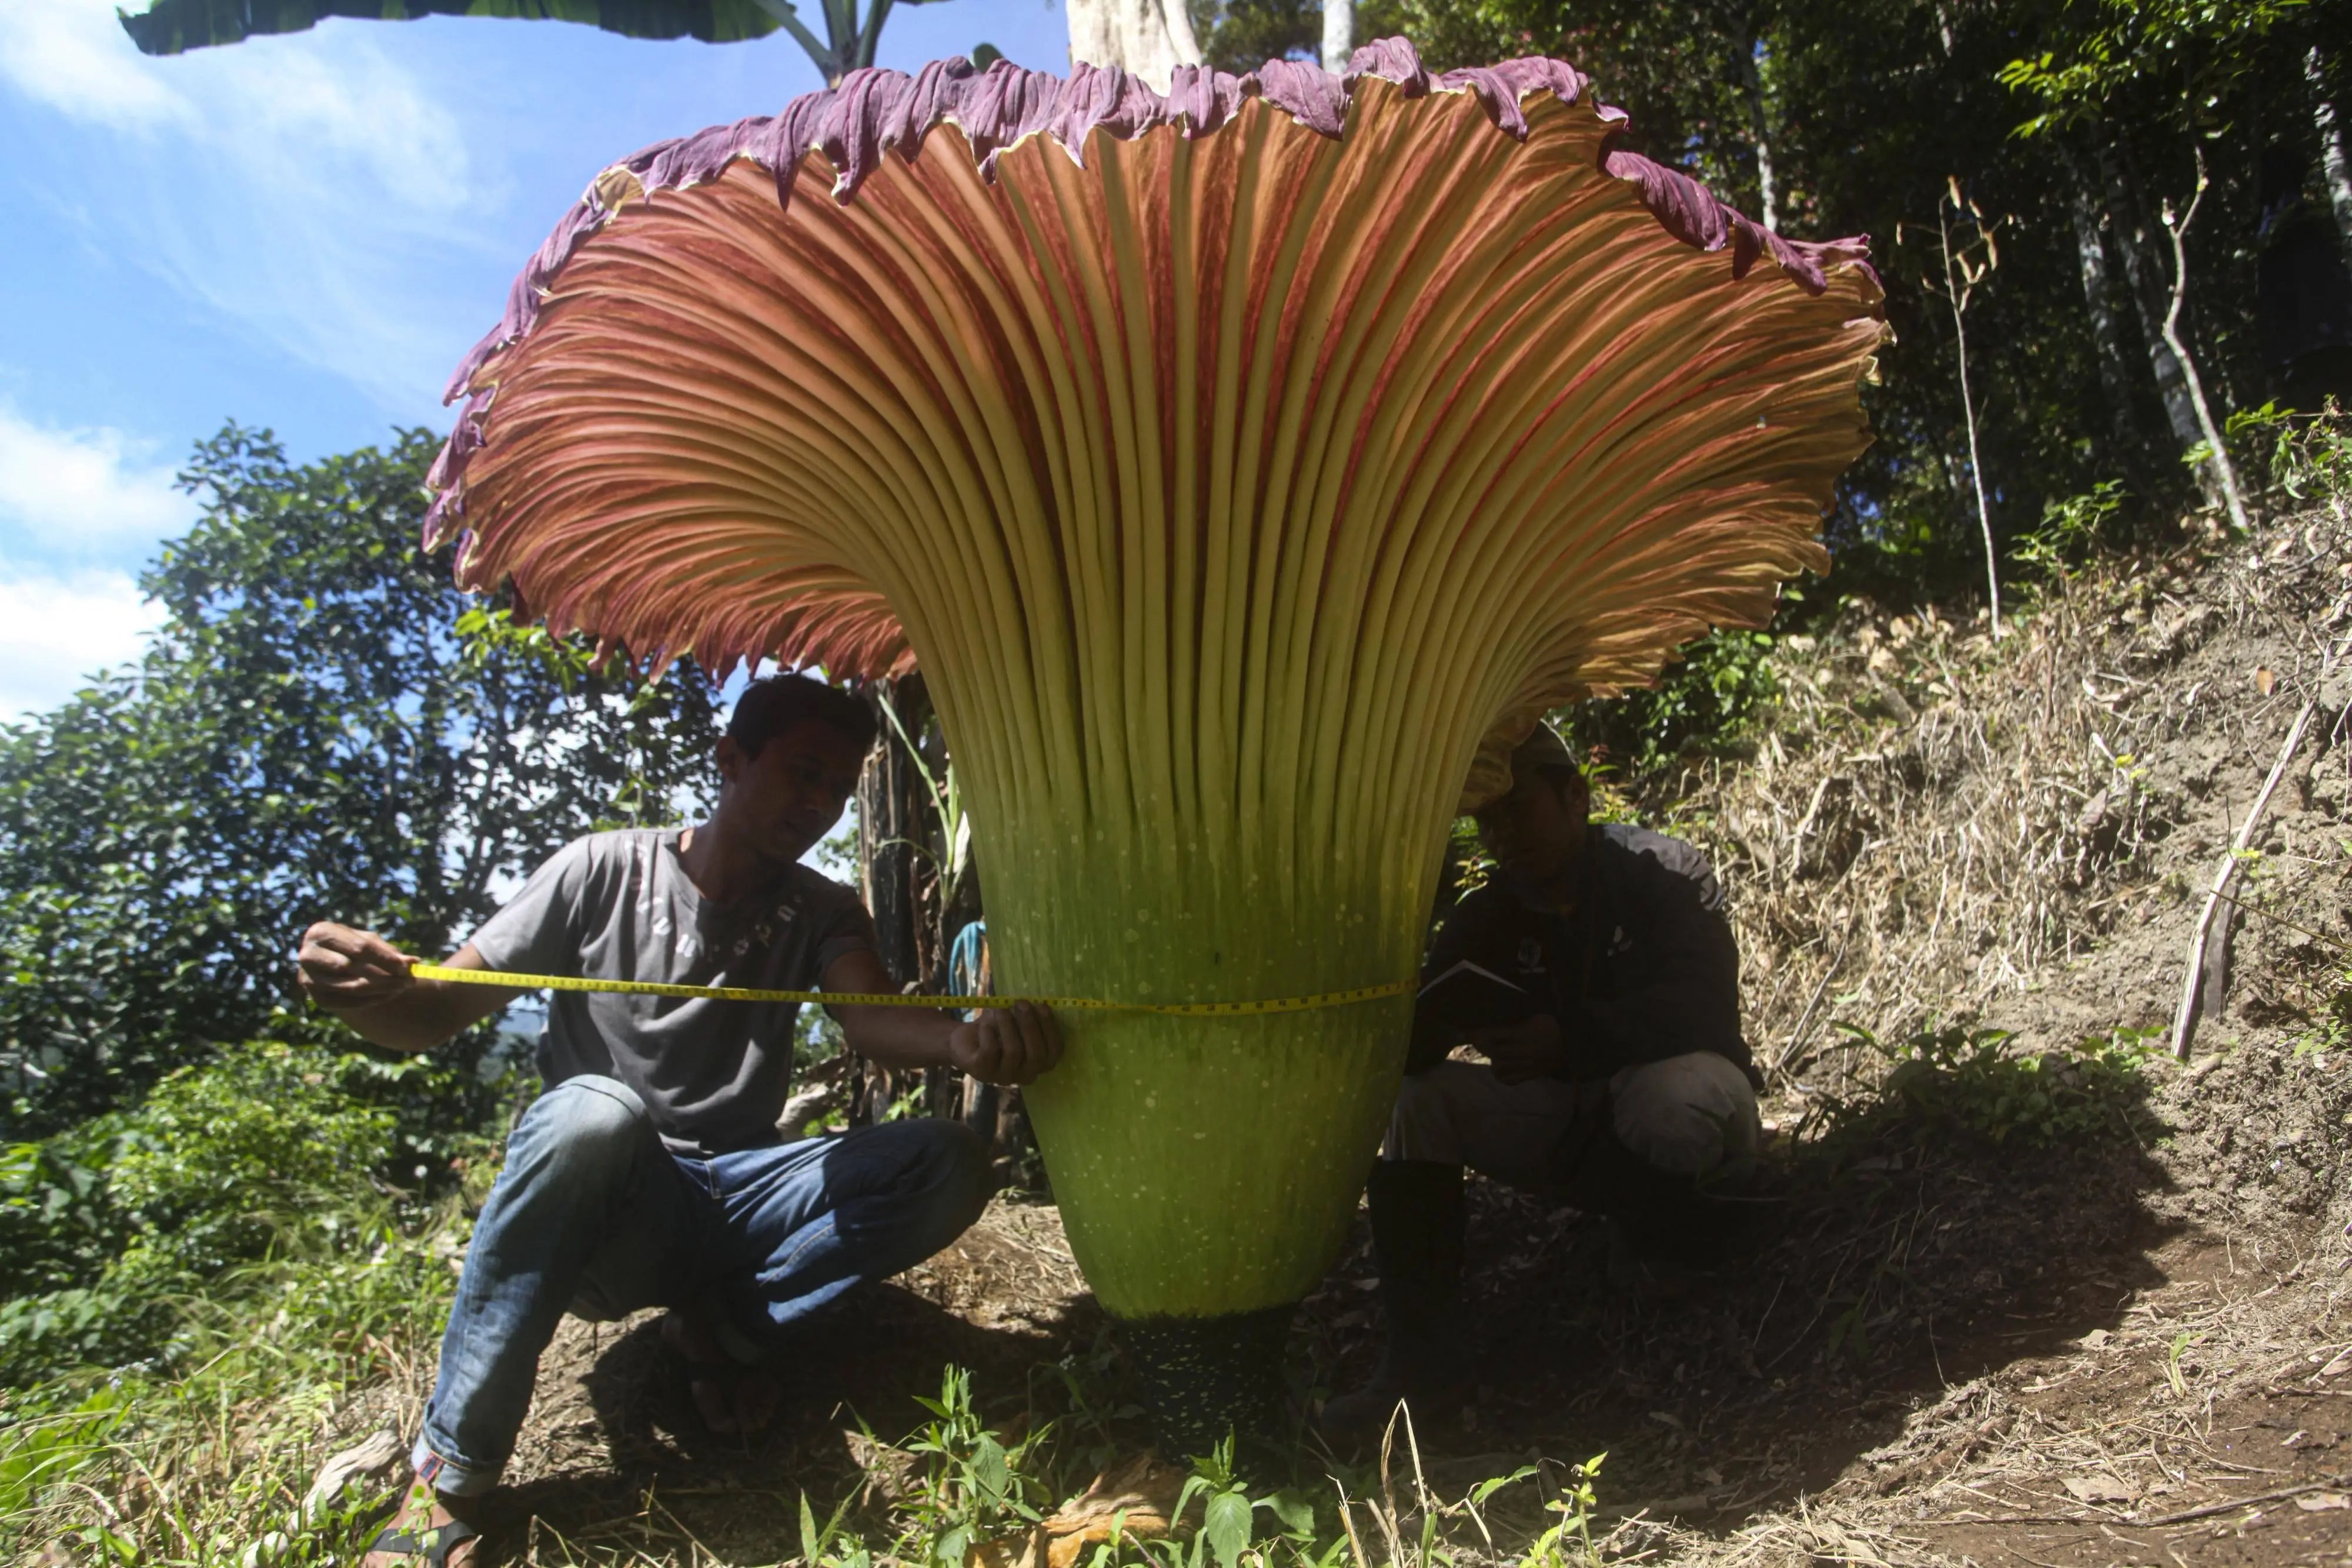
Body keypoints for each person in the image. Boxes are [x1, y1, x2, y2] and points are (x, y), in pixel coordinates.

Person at [296, 674, 1063, 1568]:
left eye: (838, 788)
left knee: (945, 1159)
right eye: (802, 772)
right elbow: (428, 1015)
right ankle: (449, 1483)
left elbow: (869, 1018)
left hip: (738, 1196)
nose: (818, 805)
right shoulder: (598, 869)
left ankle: (720, 1330)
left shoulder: (823, 908)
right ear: (730, 759)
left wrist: (965, 1042)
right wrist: (351, 988)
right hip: (614, 1214)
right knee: (594, 1109)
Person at [1321, 724, 1759, 1445]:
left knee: (1672, 1100)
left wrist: (1570, 1036)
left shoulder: (1662, 873)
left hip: (1680, 1097)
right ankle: (1420, 1370)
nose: (1502, 834)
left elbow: (1704, 1008)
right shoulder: (1490, 912)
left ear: (1576, 796)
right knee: (1415, 1103)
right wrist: (1428, 1022)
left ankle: (1679, 1251)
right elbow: (1415, 1037)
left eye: (1517, 810)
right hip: (1569, 1117)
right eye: (1486, 821)